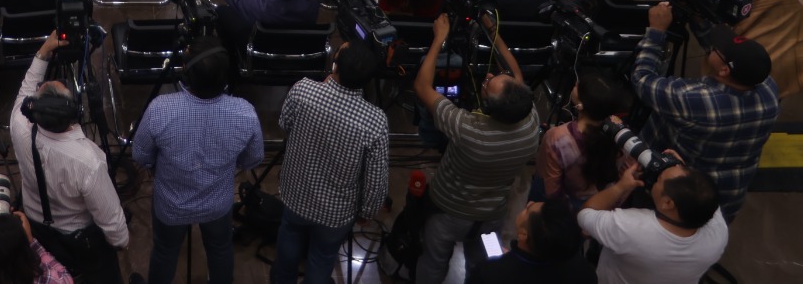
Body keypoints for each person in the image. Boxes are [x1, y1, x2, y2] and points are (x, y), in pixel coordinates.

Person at [413, 14, 540, 284]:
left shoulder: (468, 128)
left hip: (448, 211)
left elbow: (422, 87)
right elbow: (515, 74)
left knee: (434, 261)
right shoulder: (531, 121)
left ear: (489, 107)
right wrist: (493, 30)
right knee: (483, 265)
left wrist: (439, 39)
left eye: (488, 83)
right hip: (492, 215)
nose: (491, 75)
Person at [630, 3, 778, 221]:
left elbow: (642, 80)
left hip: (681, 197)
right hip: (727, 198)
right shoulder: (768, 89)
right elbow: (720, 55)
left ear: (725, 70)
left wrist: (656, 32)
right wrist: (699, 21)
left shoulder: (699, 101)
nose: (713, 47)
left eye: (718, 49)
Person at [133, 38, 263, 284]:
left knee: (164, 251)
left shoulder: (161, 109)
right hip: (218, 205)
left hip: (171, 205)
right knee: (220, 250)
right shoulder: (244, 112)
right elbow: (252, 160)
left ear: (187, 73)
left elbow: (141, 155)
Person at [10, 33, 128, 284]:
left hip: (35, 230)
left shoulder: (20, 127)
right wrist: (119, 242)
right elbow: (112, 221)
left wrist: (44, 51)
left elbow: (26, 86)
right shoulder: (88, 160)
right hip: (78, 242)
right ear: (74, 113)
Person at [273, 41, 387, 284]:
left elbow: (284, 124)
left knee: (287, 248)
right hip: (336, 213)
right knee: (322, 258)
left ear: (335, 66)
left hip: (295, 195)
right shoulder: (375, 121)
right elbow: (376, 180)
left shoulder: (303, 90)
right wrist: (367, 211)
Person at [577, 161, 727, 284]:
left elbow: (584, 215)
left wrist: (621, 186)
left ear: (667, 203)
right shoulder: (718, 234)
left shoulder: (630, 227)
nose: (655, 179)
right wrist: (681, 168)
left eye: (659, 179)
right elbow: (701, 192)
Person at [535, 68, 631, 206]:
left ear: (580, 105)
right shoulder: (622, 132)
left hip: (566, 206)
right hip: (604, 202)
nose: (576, 83)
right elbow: (626, 174)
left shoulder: (557, 138)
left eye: (578, 86)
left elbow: (551, 190)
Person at [464, 199, 594, 284]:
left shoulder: (489, 273)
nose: (529, 203)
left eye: (527, 210)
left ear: (523, 234)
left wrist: (507, 263)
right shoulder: (583, 270)